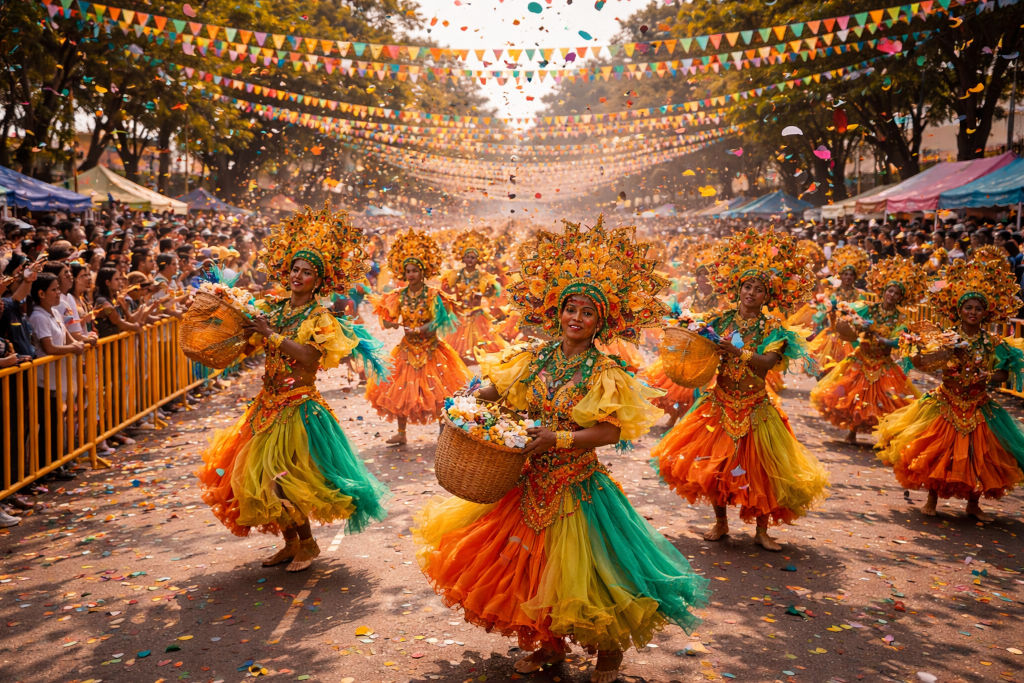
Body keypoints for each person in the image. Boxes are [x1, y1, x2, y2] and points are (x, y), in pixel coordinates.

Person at [414, 217, 708, 683]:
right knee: (531, 567)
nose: (576, 317)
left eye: (587, 313)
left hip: (577, 484)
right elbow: (498, 389)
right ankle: (549, 646)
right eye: (570, 308)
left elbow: (611, 432)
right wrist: (468, 400)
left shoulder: (605, 372)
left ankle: (608, 650)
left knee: (593, 573)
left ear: (600, 323)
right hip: (528, 476)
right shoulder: (534, 357)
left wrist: (560, 438)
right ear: (557, 312)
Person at [197, 206, 389, 572]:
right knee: (261, 477)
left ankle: (308, 543)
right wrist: (238, 326)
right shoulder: (274, 308)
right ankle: (290, 543)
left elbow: (309, 357)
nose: (298, 276)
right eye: (295, 269)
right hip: (266, 405)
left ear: (319, 281)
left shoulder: (320, 317)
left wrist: (271, 335)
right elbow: (251, 345)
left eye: (306, 272)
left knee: (284, 479)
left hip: (298, 408)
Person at [652, 228, 829, 551]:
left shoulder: (774, 328)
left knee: (764, 471)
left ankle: (762, 531)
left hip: (755, 407)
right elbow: (695, 336)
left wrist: (735, 352)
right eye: (747, 286)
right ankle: (720, 522)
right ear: (738, 289)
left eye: (759, 289)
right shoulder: (720, 320)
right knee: (715, 467)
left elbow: (767, 363)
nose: (751, 293)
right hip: (719, 403)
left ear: (767, 296)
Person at [876, 257, 1024, 521]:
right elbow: (925, 363)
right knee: (937, 452)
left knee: (980, 456)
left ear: (986, 313)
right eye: (968, 307)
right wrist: (939, 351)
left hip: (979, 404)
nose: (973, 312)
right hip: (945, 402)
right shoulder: (945, 336)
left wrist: (988, 375)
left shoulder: (993, 342)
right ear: (959, 309)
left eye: (978, 308)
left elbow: (1005, 372)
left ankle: (973, 504)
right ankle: (931, 499)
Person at [366, 229, 471, 446]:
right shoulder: (399, 296)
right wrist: (388, 319)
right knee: (400, 391)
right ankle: (401, 433)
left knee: (441, 393)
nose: (411, 275)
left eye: (415, 271)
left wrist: (422, 328)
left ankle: (443, 431)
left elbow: (439, 321)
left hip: (432, 349)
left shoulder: (433, 295)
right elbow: (390, 320)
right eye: (408, 271)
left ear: (423, 272)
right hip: (407, 349)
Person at [810, 256, 924, 444]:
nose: (892, 295)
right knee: (855, 396)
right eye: (890, 291)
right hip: (861, 357)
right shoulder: (869, 308)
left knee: (887, 400)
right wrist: (856, 324)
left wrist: (888, 341)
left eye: (896, 293)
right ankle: (852, 432)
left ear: (900, 298)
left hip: (883, 362)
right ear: (883, 292)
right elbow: (849, 317)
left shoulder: (901, 318)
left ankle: (886, 435)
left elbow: (901, 339)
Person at [440, 230, 506, 361]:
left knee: (485, 345)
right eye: (467, 257)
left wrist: (488, 291)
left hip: (476, 314)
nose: (470, 260)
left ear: (477, 260)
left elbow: (489, 294)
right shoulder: (455, 275)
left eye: (473, 257)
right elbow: (449, 291)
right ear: (463, 258)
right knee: (454, 348)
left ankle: (475, 353)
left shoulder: (483, 277)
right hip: (460, 312)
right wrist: (447, 289)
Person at [806, 245, 870, 372]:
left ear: (855, 277)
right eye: (845, 274)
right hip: (833, 334)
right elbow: (822, 312)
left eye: (851, 275)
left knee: (850, 369)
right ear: (840, 275)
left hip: (852, 337)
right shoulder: (832, 292)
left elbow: (863, 317)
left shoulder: (860, 294)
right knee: (827, 368)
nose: (848, 277)